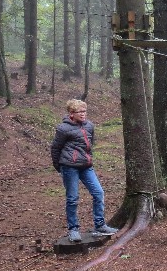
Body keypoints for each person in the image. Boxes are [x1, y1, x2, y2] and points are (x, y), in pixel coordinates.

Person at [50, 99, 118, 242]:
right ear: (71, 113)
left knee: (98, 193)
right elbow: (55, 148)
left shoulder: (89, 125)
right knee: (73, 198)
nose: (83, 114)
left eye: (84, 111)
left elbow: (89, 145)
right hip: (69, 167)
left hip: (86, 166)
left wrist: (87, 158)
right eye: (80, 111)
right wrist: (59, 166)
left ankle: (100, 225)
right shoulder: (63, 128)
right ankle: (73, 229)